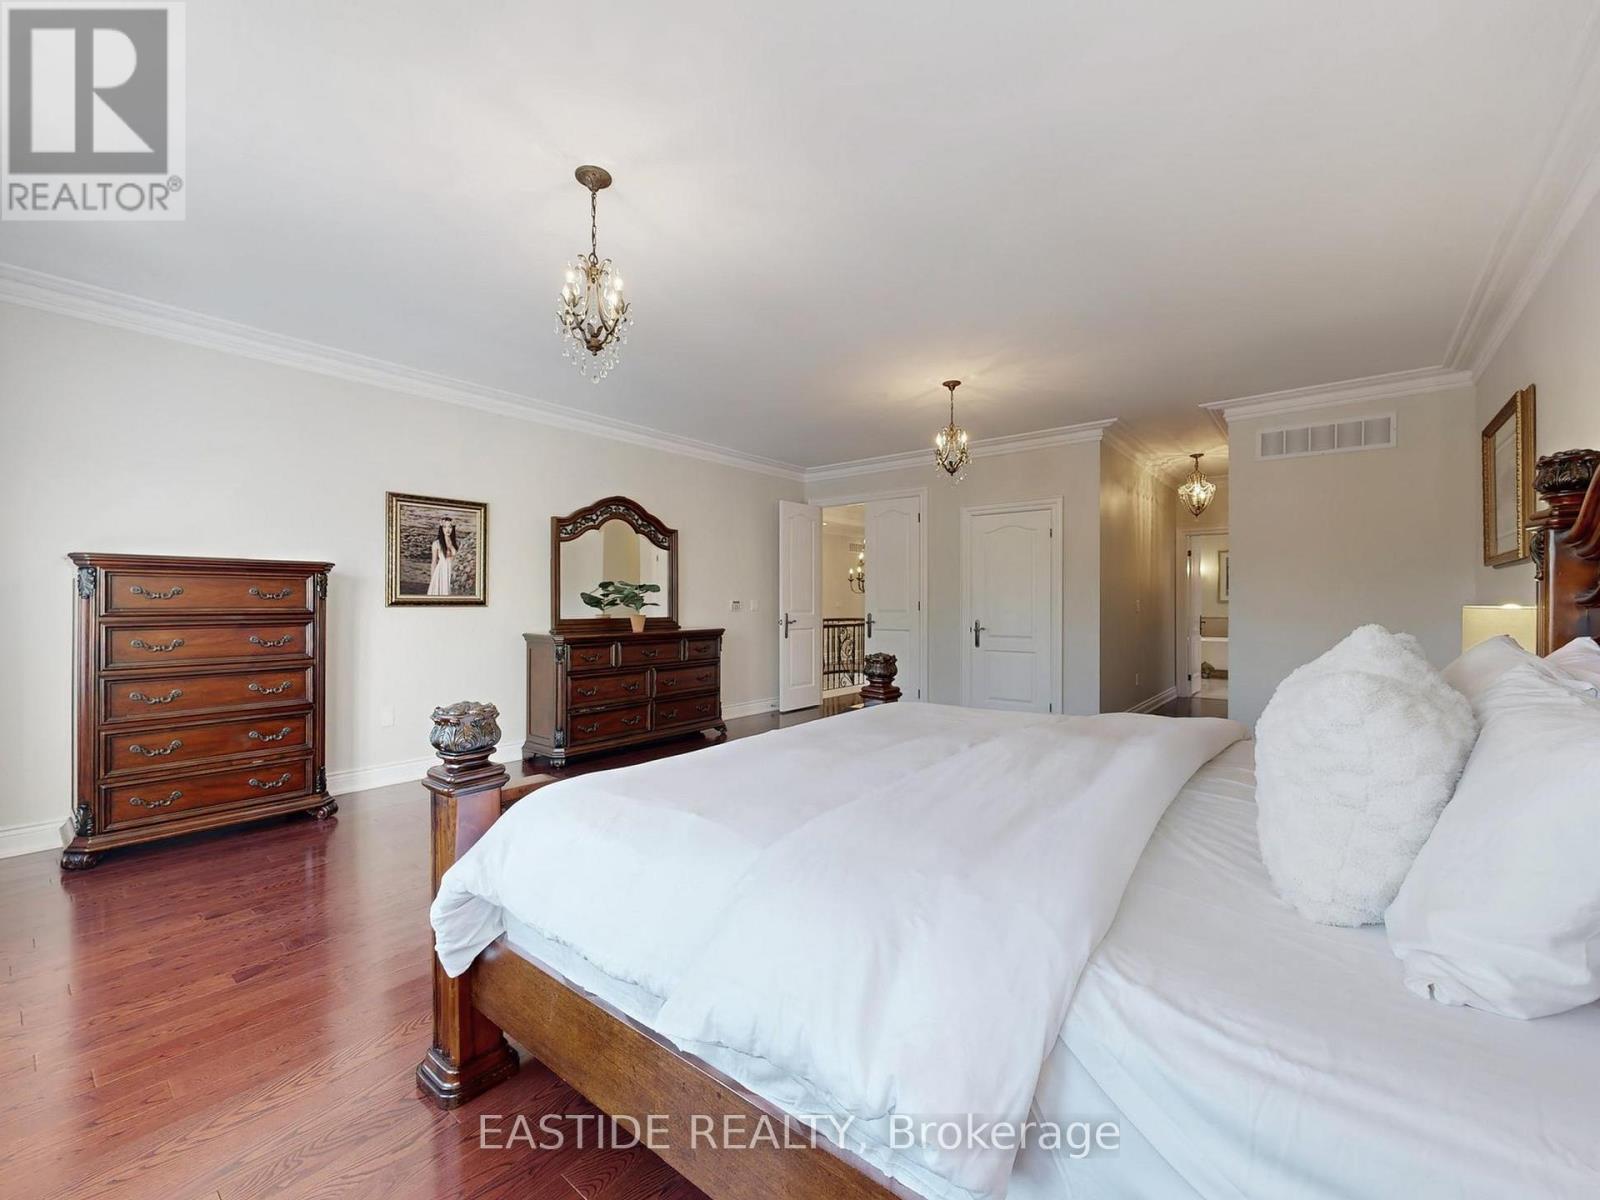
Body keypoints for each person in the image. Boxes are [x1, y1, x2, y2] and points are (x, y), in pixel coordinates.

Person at [427, 518, 459, 596]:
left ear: (453, 529)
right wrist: (433, 580)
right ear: (441, 528)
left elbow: (458, 559)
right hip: (442, 571)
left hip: (453, 571)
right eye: (445, 527)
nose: (447, 529)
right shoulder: (436, 544)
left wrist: (451, 546)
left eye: (450, 527)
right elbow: (434, 562)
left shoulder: (457, 543)